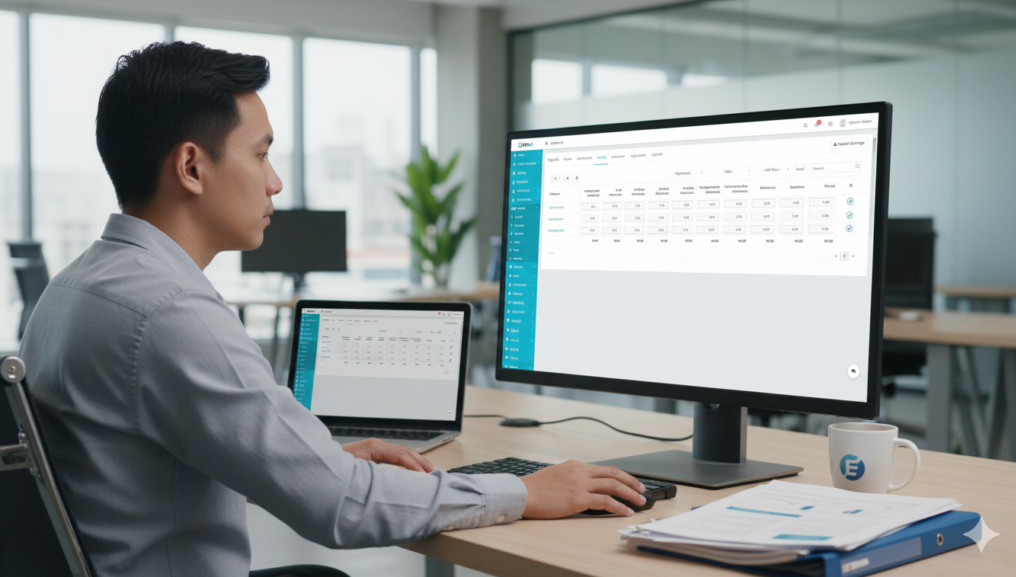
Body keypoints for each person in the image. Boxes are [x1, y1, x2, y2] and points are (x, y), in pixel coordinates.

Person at [18, 41, 646, 577]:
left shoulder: (75, 287)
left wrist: (317, 461)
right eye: (260, 154)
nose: (275, 183)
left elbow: (149, 459)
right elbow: (340, 508)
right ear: (191, 166)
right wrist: (526, 490)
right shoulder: (172, 312)